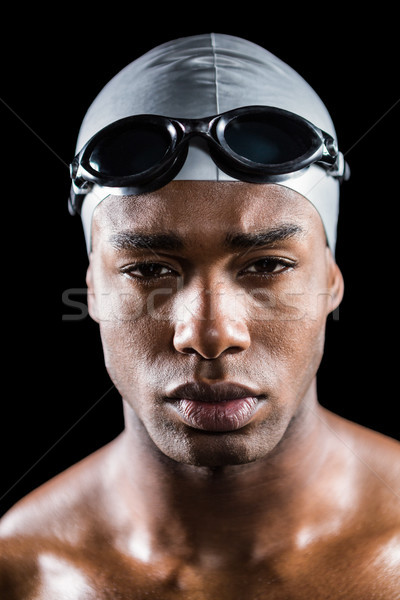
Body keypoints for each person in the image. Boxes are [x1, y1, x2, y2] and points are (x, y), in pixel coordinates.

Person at [1, 33, 399, 599]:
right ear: (91, 288)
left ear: (330, 280)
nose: (210, 336)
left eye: (266, 264)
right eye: (148, 270)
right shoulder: (20, 574)